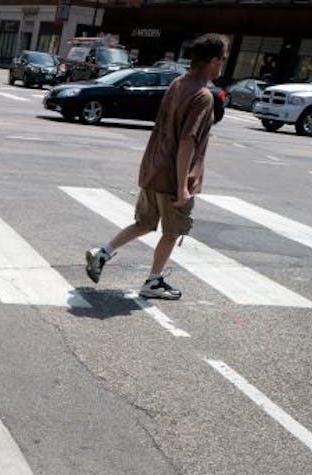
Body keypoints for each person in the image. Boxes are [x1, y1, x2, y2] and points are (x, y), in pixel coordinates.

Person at [84, 33, 227, 300]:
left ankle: (102, 253)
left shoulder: (177, 83)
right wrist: (183, 186)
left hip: (153, 168)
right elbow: (187, 142)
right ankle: (153, 281)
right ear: (212, 60)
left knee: (144, 223)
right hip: (173, 178)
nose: (223, 65)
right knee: (172, 232)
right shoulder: (203, 96)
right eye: (222, 59)